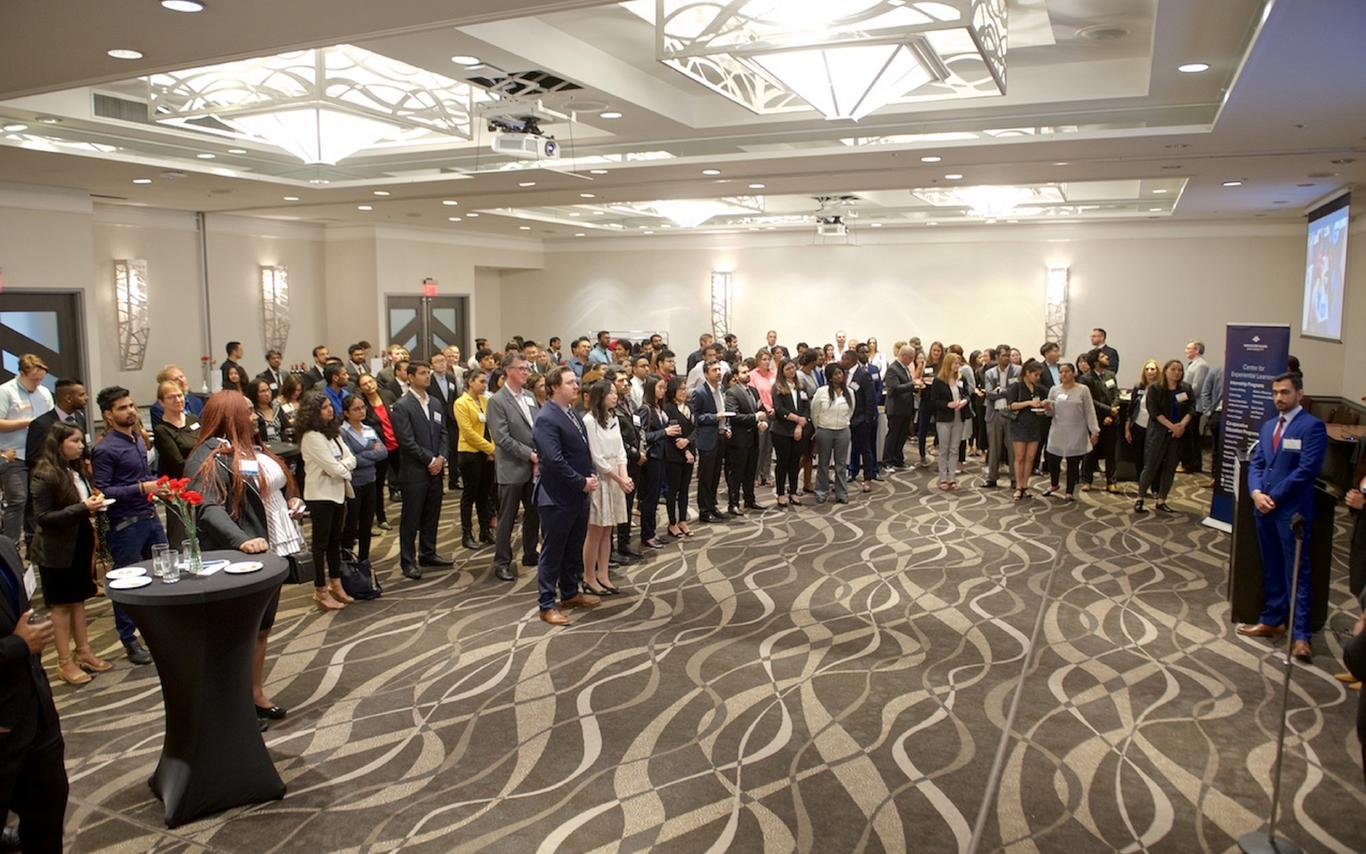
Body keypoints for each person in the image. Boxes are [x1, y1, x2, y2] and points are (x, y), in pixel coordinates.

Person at [187, 390, 303, 724]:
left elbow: (270, 489)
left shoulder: (250, 447)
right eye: (248, 411)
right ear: (230, 415)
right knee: (237, 636)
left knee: (262, 628)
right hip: (239, 558)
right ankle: (232, 706)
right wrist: (242, 541)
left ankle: (253, 693)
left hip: (272, 548)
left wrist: (291, 502)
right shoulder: (207, 456)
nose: (255, 417)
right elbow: (206, 507)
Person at [1238, 372, 1328, 661]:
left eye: (1285, 392)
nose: (1279, 398)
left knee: (1297, 573)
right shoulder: (1267, 427)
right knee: (1272, 567)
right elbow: (1257, 464)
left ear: (1299, 394)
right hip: (1263, 508)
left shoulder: (1311, 427)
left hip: (1291, 512)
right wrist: (1255, 493)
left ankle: (1301, 636)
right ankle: (1272, 619)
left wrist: (1272, 497)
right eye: (1275, 392)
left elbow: (1307, 471)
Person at [0, 533, 67, 852]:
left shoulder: (4, 547)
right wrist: (17, 645)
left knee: (47, 815)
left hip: (35, 713)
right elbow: (20, 639)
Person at [28, 424, 109, 686]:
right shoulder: (44, 474)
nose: (81, 445)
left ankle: (83, 650)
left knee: (79, 600)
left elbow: (80, 505)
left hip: (79, 543)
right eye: (74, 441)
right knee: (62, 606)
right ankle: (64, 662)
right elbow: (43, 518)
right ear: (59, 443)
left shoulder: (75, 469)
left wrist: (93, 502)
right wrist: (82, 508)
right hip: (56, 550)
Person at [90, 385, 160, 665]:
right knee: (127, 582)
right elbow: (104, 491)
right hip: (125, 524)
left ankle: (155, 630)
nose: (130, 411)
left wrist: (154, 489)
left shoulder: (138, 440)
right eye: (122, 408)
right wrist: (143, 487)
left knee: (159, 573)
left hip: (150, 516)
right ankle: (129, 639)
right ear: (108, 415)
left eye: (131, 405)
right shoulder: (105, 449)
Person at [532, 367, 602, 626]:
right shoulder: (546, 418)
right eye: (570, 382)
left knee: (573, 547)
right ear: (554, 388)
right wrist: (580, 481)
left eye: (576, 381)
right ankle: (546, 604)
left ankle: (570, 592)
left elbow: (581, 451)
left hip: (577, 493)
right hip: (556, 496)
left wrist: (589, 475)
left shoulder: (571, 413)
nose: (576, 386)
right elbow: (553, 460)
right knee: (553, 552)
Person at [390, 360, 451, 580]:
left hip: (435, 469)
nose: (428, 377)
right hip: (415, 470)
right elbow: (406, 441)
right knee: (411, 517)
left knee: (432, 513)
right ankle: (408, 560)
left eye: (429, 373)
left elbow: (444, 433)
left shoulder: (434, 402)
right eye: (423, 373)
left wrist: (442, 457)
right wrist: (430, 459)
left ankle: (428, 552)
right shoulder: (402, 405)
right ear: (411, 377)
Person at [297, 390, 356, 610]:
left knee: (335, 542)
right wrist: (343, 468)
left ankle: (336, 583)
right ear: (313, 412)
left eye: (330, 405)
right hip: (320, 496)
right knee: (320, 545)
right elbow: (332, 466)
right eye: (324, 407)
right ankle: (320, 589)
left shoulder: (333, 432)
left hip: (338, 493)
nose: (330, 409)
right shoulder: (312, 436)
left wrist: (343, 468)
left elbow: (351, 458)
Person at [487, 353, 540, 580]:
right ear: (508, 371)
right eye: (521, 368)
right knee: (507, 518)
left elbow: (536, 428)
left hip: (533, 467)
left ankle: (529, 553)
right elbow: (502, 438)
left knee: (534, 513)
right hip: (512, 467)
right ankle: (502, 561)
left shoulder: (529, 396)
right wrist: (530, 454)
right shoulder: (497, 401)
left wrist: (538, 455)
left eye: (527, 368)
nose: (525, 372)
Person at [582, 380, 633, 594]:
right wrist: (618, 478)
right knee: (595, 530)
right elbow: (596, 457)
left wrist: (625, 475)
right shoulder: (589, 420)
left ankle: (603, 573)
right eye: (610, 393)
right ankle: (589, 576)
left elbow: (621, 449)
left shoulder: (613, 417)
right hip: (601, 477)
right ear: (600, 396)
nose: (615, 396)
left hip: (615, 475)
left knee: (608, 530)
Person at [0, 355, 53, 544]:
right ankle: (10, 545)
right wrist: (28, 423)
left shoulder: (44, 393)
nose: (37, 383)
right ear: (22, 373)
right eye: (33, 379)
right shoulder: (6, 392)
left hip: (39, 454)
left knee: (37, 499)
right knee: (18, 500)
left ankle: (35, 542)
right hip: (14, 454)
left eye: (40, 379)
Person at [1134, 360, 1195, 514]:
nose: (1177, 373)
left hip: (1178, 434)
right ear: (1166, 371)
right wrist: (1172, 426)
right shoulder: (1155, 388)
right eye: (1173, 369)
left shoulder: (1186, 388)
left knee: (1170, 467)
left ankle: (1161, 500)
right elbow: (1154, 411)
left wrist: (1181, 425)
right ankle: (1140, 498)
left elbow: (1191, 409)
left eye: (1180, 370)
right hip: (1159, 433)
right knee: (1151, 466)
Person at [339, 393, 387, 569]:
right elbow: (351, 460)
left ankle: (364, 558)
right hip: (354, 484)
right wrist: (370, 452)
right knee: (351, 524)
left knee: (367, 523)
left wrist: (363, 455)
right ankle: (347, 560)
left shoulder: (368, 429)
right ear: (346, 413)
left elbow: (383, 452)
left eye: (363, 408)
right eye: (356, 409)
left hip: (370, 480)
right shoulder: (342, 432)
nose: (361, 411)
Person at [1042, 362, 1099, 501]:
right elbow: (1050, 413)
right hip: (1058, 429)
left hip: (1076, 430)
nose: (1064, 374)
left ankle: (1069, 491)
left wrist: (1094, 431)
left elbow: (1089, 411)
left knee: (1073, 461)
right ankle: (1054, 484)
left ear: (1073, 373)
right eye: (1061, 372)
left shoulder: (1083, 389)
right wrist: (1047, 408)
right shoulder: (1054, 390)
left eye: (1067, 371)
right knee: (1053, 459)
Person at [454, 369, 495, 551]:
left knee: (484, 494)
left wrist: (492, 450)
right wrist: (490, 448)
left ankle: (485, 530)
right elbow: (468, 432)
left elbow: (492, 426)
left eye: (485, 382)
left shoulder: (486, 401)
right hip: (470, 453)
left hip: (488, 454)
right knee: (469, 495)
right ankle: (466, 533)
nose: (484, 385)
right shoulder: (461, 403)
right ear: (470, 382)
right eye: (481, 381)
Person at [689, 360, 731, 524]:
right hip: (707, 439)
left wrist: (725, 425)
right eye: (714, 370)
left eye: (719, 369)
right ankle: (704, 511)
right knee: (705, 477)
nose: (719, 373)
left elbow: (722, 410)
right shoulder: (700, 392)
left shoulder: (720, 388)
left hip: (720, 435)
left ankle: (712, 506)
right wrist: (714, 418)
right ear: (706, 374)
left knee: (715, 476)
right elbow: (696, 417)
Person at [636, 374, 674, 549]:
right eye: (659, 387)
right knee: (650, 498)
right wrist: (665, 432)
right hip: (652, 459)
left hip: (661, 456)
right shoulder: (646, 409)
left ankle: (651, 532)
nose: (663, 390)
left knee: (655, 496)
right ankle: (647, 535)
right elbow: (643, 436)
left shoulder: (659, 408)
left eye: (664, 387)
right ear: (651, 389)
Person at [724, 362, 767, 515]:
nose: (747, 374)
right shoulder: (732, 393)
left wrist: (761, 421)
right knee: (737, 473)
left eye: (748, 371)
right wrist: (755, 418)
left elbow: (760, 409)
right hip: (739, 440)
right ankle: (733, 503)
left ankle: (750, 499)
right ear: (736, 376)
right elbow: (734, 416)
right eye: (743, 372)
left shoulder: (754, 391)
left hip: (753, 438)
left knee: (750, 471)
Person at [357, 373, 398, 529]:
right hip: (379, 448)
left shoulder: (387, 395)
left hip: (397, 445)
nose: (369, 385)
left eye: (370, 381)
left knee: (407, 480)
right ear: (360, 388)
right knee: (379, 485)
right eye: (365, 384)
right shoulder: (362, 404)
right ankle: (381, 518)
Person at [24, 378, 87, 475]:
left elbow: (85, 449)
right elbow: (32, 459)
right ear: (68, 398)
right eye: (81, 395)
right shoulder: (41, 424)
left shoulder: (80, 418)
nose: (86, 398)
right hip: (53, 480)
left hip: (78, 476)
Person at [770, 358, 810, 509]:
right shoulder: (777, 387)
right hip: (782, 431)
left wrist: (800, 424)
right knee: (782, 463)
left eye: (793, 367)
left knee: (794, 463)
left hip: (798, 431)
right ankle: (780, 493)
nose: (792, 371)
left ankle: (793, 492)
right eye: (787, 369)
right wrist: (798, 420)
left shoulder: (801, 387)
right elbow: (780, 410)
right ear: (782, 371)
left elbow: (807, 407)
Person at [811, 363, 853, 504]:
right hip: (825, 430)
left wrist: (844, 422)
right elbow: (814, 412)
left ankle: (841, 493)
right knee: (823, 463)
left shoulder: (850, 392)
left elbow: (851, 411)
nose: (839, 376)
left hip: (843, 430)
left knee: (841, 465)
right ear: (829, 376)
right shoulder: (821, 392)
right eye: (835, 373)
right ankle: (821, 491)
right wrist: (819, 428)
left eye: (840, 373)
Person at [930, 354, 973, 491]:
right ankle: (943, 478)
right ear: (948, 364)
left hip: (959, 417)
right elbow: (934, 401)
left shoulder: (961, 378)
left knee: (955, 449)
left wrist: (965, 401)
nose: (957, 366)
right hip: (944, 418)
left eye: (958, 363)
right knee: (944, 449)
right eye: (955, 363)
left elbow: (967, 394)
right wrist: (947, 404)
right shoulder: (939, 380)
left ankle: (952, 478)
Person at [1079, 350, 1120, 492]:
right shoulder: (1085, 379)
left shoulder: (1110, 375)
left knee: (1111, 452)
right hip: (1094, 419)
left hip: (1111, 419)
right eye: (1102, 356)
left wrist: (1112, 413)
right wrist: (1109, 411)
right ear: (1096, 362)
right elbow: (1091, 401)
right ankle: (1086, 480)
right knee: (1091, 451)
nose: (1107, 357)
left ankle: (1111, 481)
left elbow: (1116, 394)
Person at [1005, 360, 1047, 500]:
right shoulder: (1016, 387)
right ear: (1028, 373)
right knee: (1019, 457)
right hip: (1019, 424)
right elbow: (1011, 405)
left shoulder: (1038, 388)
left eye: (1039, 375)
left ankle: (1025, 485)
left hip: (1034, 424)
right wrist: (1029, 403)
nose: (1038, 378)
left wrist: (1043, 407)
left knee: (1030, 458)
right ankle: (1018, 485)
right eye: (1036, 375)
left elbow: (1044, 402)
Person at [662, 376, 696, 538]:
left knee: (685, 489)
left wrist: (689, 442)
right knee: (673, 490)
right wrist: (685, 449)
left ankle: (683, 520)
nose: (684, 392)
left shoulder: (690, 407)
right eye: (681, 389)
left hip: (690, 452)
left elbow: (697, 428)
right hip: (674, 453)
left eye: (685, 389)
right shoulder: (668, 408)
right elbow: (672, 431)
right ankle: (672, 522)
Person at [983, 346, 1021, 489]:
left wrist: (1002, 390)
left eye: (1008, 355)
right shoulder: (989, 373)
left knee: (1012, 449)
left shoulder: (1018, 370)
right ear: (997, 357)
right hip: (995, 414)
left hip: (1011, 414)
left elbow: (1015, 391)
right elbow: (989, 394)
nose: (1007, 358)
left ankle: (1015, 478)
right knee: (994, 448)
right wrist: (1005, 392)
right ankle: (992, 478)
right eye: (1004, 355)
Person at [1124, 360, 1161, 490]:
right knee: (1139, 457)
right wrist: (1127, 428)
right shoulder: (1139, 386)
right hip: (1138, 426)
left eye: (1153, 369)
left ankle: (1155, 487)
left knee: (1153, 458)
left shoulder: (1161, 388)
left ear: (1158, 371)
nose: (1150, 372)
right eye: (1147, 369)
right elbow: (1131, 408)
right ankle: (1142, 484)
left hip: (1154, 428)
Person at [846, 347, 878, 491]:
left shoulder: (863, 375)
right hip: (847, 418)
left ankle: (867, 478)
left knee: (865, 449)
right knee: (853, 448)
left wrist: (867, 418)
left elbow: (870, 398)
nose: (842, 361)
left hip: (861, 418)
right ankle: (852, 472)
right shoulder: (844, 374)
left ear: (851, 360)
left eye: (844, 359)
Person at [881, 345, 916, 471]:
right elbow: (893, 389)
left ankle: (898, 459)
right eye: (911, 357)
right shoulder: (893, 369)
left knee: (902, 436)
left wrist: (914, 387)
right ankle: (887, 461)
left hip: (905, 408)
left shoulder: (904, 368)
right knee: (893, 435)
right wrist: (912, 384)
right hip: (895, 408)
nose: (912, 360)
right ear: (903, 356)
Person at [748, 348, 777, 488]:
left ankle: (766, 473)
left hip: (774, 414)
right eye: (763, 359)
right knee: (759, 445)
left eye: (768, 359)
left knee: (769, 446)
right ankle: (756, 474)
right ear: (758, 361)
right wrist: (766, 408)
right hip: (761, 413)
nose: (766, 362)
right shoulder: (752, 375)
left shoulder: (773, 374)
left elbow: (777, 393)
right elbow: (754, 395)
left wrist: (775, 409)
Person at [1182, 339, 1210, 474]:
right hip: (1188, 404)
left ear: (1197, 350)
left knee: (1192, 437)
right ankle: (1188, 463)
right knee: (1188, 437)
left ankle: (1193, 464)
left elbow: (1196, 388)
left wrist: (1179, 397)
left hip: (1195, 406)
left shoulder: (1201, 365)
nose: (1186, 351)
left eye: (1188, 348)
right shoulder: (1193, 364)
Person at [915, 341, 943, 466]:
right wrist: (920, 382)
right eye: (934, 350)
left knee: (941, 428)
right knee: (923, 428)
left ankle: (940, 451)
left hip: (940, 400)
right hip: (926, 399)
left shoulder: (944, 366)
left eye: (938, 351)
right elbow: (915, 379)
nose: (936, 353)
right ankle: (922, 454)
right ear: (931, 351)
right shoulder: (924, 364)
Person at [247, 377, 286, 445]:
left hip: (283, 446)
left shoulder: (276, 407)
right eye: (262, 391)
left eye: (268, 390)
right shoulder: (253, 414)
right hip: (264, 449)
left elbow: (287, 427)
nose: (267, 394)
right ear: (254, 394)